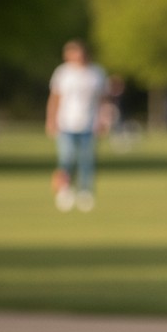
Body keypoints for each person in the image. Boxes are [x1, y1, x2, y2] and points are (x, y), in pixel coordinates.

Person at [46, 40, 106, 212]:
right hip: (66, 123)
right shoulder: (62, 73)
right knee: (66, 159)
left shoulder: (96, 73)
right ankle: (64, 191)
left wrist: (102, 119)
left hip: (89, 124)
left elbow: (102, 100)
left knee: (86, 160)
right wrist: (51, 119)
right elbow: (55, 98)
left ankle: (85, 192)